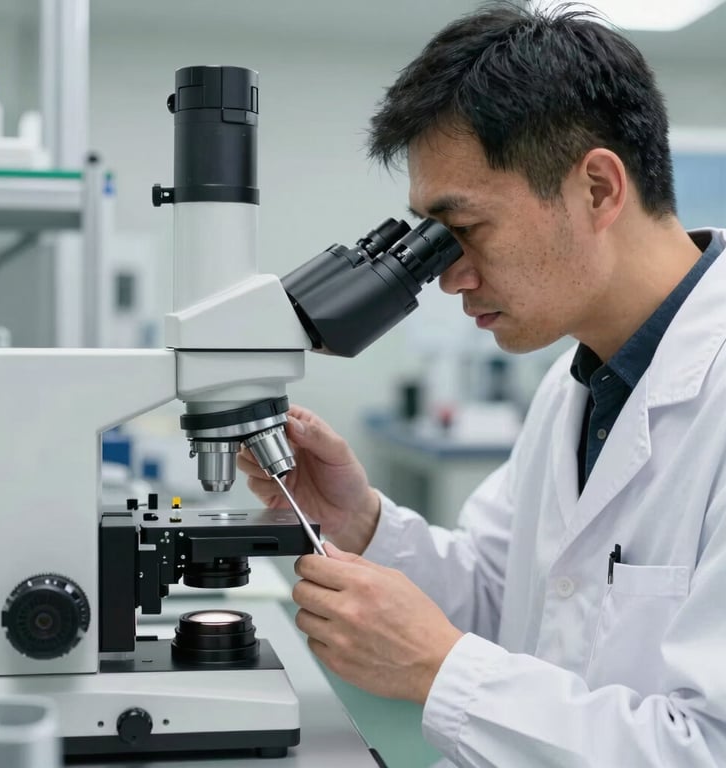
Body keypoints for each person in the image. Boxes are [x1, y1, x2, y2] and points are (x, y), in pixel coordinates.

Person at [238, 4, 726, 766]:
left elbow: (705, 748)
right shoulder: (581, 385)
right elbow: (506, 597)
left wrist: (439, 671)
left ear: (598, 189)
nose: (447, 276)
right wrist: (360, 519)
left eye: (464, 229)